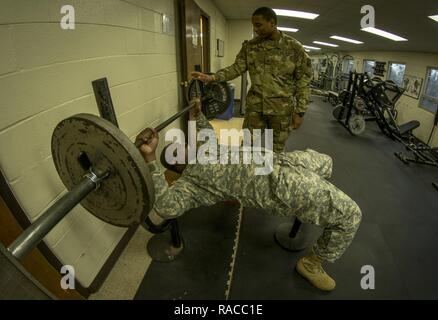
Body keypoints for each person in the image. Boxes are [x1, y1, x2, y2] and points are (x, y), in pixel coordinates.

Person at [136, 101, 362, 292]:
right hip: (283, 186)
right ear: (177, 165)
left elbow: (204, 129)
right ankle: (311, 264)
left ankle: (316, 205)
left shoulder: (205, 148)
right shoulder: (192, 184)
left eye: (182, 143)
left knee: (326, 162)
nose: (185, 145)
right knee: (350, 215)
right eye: (178, 150)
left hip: (284, 161)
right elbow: (166, 207)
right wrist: (151, 158)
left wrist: (197, 111)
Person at [191, 7, 313, 153]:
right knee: (247, 147)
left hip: (281, 109)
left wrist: (300, 112)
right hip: (256, 107)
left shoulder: (294, 48)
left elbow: (303, 82)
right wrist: (212, 77)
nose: (255, 29)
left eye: (259, 25)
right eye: (254, 25)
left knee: (276, 150)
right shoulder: (250, 47)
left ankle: (270, 175)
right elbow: (237, 68)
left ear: (272, 23)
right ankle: (245, 174)